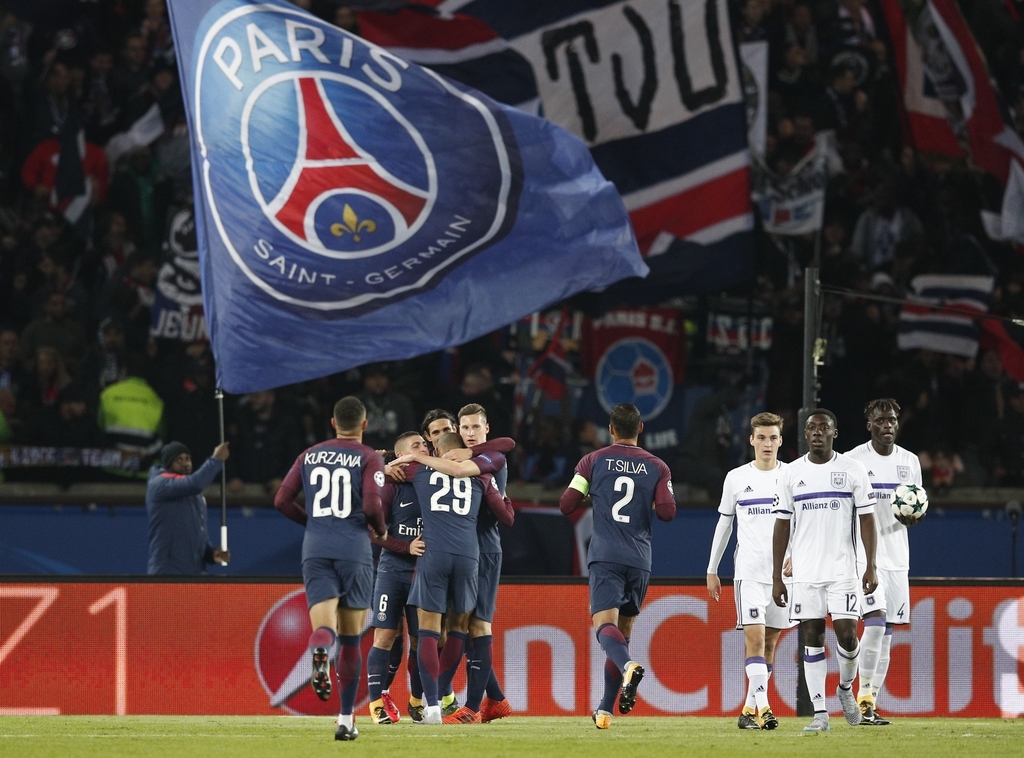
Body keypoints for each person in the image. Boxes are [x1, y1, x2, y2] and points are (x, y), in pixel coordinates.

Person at [273, 397, 388, 742]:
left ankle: (320, 650)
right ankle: (345, 719)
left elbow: (281, 500)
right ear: (364, 425)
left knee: (324, 629)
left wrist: (313, 523)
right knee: (352, 639)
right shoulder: (370, 457)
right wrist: (380, 529)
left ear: (333, 422)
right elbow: (371, 504)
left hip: (317, 547)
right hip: (353, 548)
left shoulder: (309, 454)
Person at [559, 403, 676, 730]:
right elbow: (667, 513)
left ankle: (628, 667)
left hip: (606, 554)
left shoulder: (593, 461)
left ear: (610, 429)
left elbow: (567, 504)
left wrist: (592, 491)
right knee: (622, 633)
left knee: (604, 627)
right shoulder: (658, 467)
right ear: (640, 429)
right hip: (639, 559)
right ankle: (605, 710)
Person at [397, 403, 516, 724]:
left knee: (475, 626)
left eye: (476, 427)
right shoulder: (444, 464)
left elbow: (506, 448)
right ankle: (494, 699)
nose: (471, 433)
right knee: (455, 630)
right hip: (461, 551)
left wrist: (409, 460)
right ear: (459, 432)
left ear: (485, 428)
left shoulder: (490, 459)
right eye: (465, 428)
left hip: (484, 549)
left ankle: (471, 706)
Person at [772, 409, 877, 732]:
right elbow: (781, 524)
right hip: (804, 572)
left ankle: (845, 688)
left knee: (847, 637)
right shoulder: (790, 473)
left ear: (835, 433)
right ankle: (820, 714)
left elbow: (867, 518)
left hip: (843, 571)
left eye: (823, 428)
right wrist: (777, 575)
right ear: (805, 434)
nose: (817, 432)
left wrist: (870, 565)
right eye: (811, 428)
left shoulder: (852, 469)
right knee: (812, 636)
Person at [707, 412, 794, 731]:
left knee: (770, 644)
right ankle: (766, 709)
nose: (767, 443)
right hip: (749, 574)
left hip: (783, 578)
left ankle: (748, 710)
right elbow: (725, 522)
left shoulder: (792, 477)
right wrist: (712, 568)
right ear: (752, 440)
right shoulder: (736, 478)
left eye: (773, 437)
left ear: (780, 440)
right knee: (755, 640)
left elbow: (801, 522)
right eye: (762, 437)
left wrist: (795, 555)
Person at [846, 398, 923, 724]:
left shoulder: (910, 462)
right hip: (864, 557)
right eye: (880, 420)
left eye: (892, 420)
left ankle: (869, 703)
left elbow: (915, 503)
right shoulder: (853, 461)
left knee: (888, 630)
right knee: (875, 622)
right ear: (870, 425)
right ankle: (859, 693)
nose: (887, 425)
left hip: (897, 557)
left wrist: (914, 515)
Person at [366, 431, 428, 726]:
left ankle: (416, 702)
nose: (423, 448)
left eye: (425, 446)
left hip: (423, 574)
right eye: (416, 446)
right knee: (386, 636)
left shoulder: (435, 481)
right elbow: (373, 530)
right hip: (392, 571)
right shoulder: (391, 486)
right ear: (402, 455)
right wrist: (406, 546)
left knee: (422, 642)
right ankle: (377, 703)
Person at [146, 440, 230, 575]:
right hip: (168, 574)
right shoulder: (160, 484)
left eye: (188, 459)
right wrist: (215, 460)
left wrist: (210, 554)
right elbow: (195, 483)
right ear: (168, 463)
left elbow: (199, 534)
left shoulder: (195, 495)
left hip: (195, 574)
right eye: (178, 460)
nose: (185, 463)